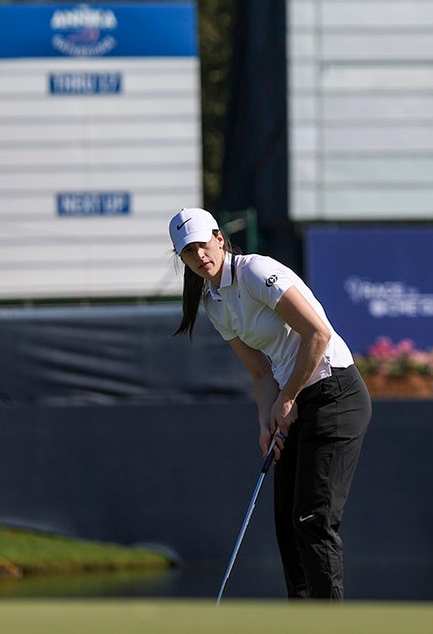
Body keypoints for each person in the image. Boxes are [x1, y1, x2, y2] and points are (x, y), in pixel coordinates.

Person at [169, 207, 372, 600]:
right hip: (293, 399)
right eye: (188, 251)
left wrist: (288, 398)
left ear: (219, 239)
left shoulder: (255, 272)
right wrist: (266, 420)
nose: (198, 255)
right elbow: (260, 371)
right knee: (288, 528)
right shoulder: (214, 303)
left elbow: (317, 334)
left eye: (202, 244)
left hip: (334, 394)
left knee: (313, 520)